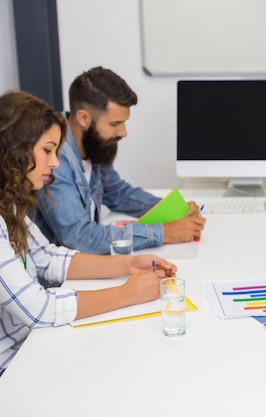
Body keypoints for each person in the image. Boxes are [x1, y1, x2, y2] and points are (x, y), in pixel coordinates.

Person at [0, 90, 177, 376]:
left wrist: (128, 264)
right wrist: (126, 293)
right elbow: (38, 309)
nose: (54, 163)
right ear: (14, 149)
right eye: (47, 150)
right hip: (11, 365)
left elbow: (48, 258)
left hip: (29, 346)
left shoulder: (10, 202)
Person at [32, 66, 206, 254]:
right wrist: (165, 233)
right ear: (83, 118)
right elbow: (79, 236)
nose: (123, 133)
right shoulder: (55, 157)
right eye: (115, 124)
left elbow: (118, 193)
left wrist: (175, 211)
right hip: (61, 273)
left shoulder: (93, 145)